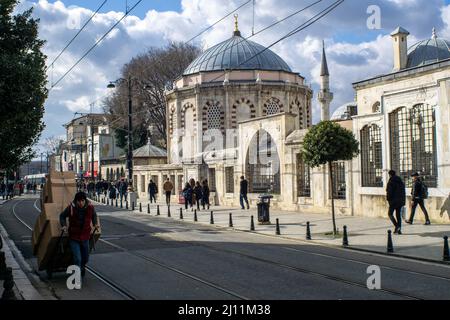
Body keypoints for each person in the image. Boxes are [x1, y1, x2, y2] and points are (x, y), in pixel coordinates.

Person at [59, 192, 99, 278]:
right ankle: (77, 277)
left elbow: (94, 216)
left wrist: (95, 223)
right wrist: (64, 225)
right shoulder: (71, 208)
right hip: (74, 237)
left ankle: (82, 267)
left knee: (86, 258)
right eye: (79, 201)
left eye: (82, 201)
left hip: (85, 237)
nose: (80, 203)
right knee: (77, 259)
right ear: (76, 201)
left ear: (85, 201)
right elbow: (62, 216)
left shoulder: (90, 207)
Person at [386, 170, 406, 234]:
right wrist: (403, 201)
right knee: (398, 215)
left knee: (390, 214)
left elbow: (389, 192)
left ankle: (397, 226)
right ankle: (399, 230)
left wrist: (388, 199)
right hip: (400, 201)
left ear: (390, 175)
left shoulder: (391, 182)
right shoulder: (401, 182)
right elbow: (403, 192)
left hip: (393, 201)